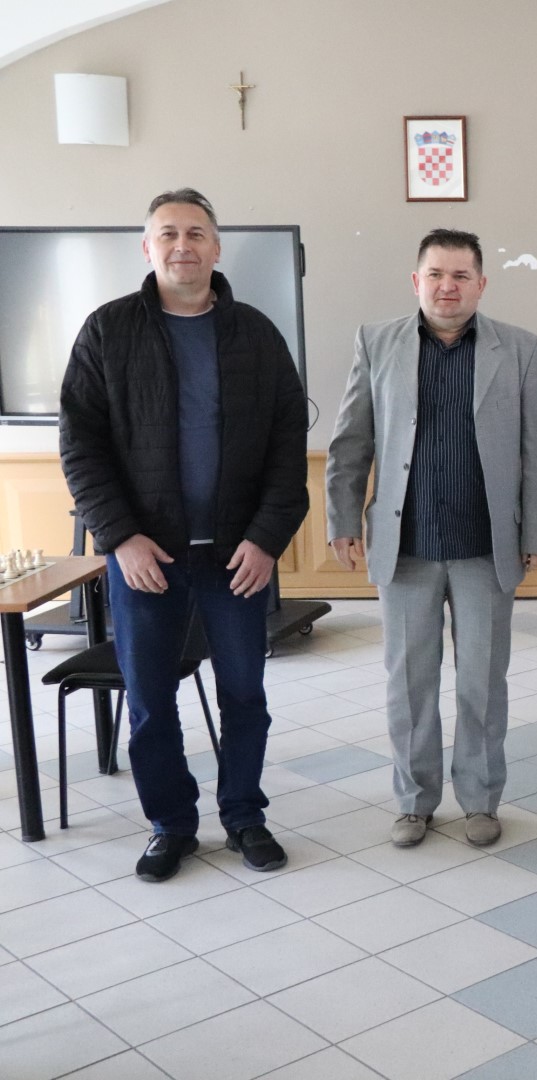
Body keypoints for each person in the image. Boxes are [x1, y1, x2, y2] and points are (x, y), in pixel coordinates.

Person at [59, 188, 309, 882]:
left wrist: (266, 539)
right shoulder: (108, 331)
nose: (182, 245)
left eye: (195, 233)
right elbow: (81, 447)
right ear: (148, 248)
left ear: (217, 248)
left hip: (237, 557)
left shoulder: (256, 334)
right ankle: (171, 825)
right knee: (148, 701)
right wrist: (121, 537)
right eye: (167, 233)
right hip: (146, 557)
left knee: (245, 695)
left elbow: (288, 445)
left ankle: (244, 815)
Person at [326, 228, 537, 849]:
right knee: (409, 685)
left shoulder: (521, 349)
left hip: (486, 548)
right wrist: (342, 520)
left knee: (482, 683)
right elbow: (351, 441)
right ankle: (413, 802)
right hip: (406, 547)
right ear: (416, 281)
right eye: (435, 274)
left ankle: (480, 799)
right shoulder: (377, 342)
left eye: (460, 276)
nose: (447, 287)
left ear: (481, 284)